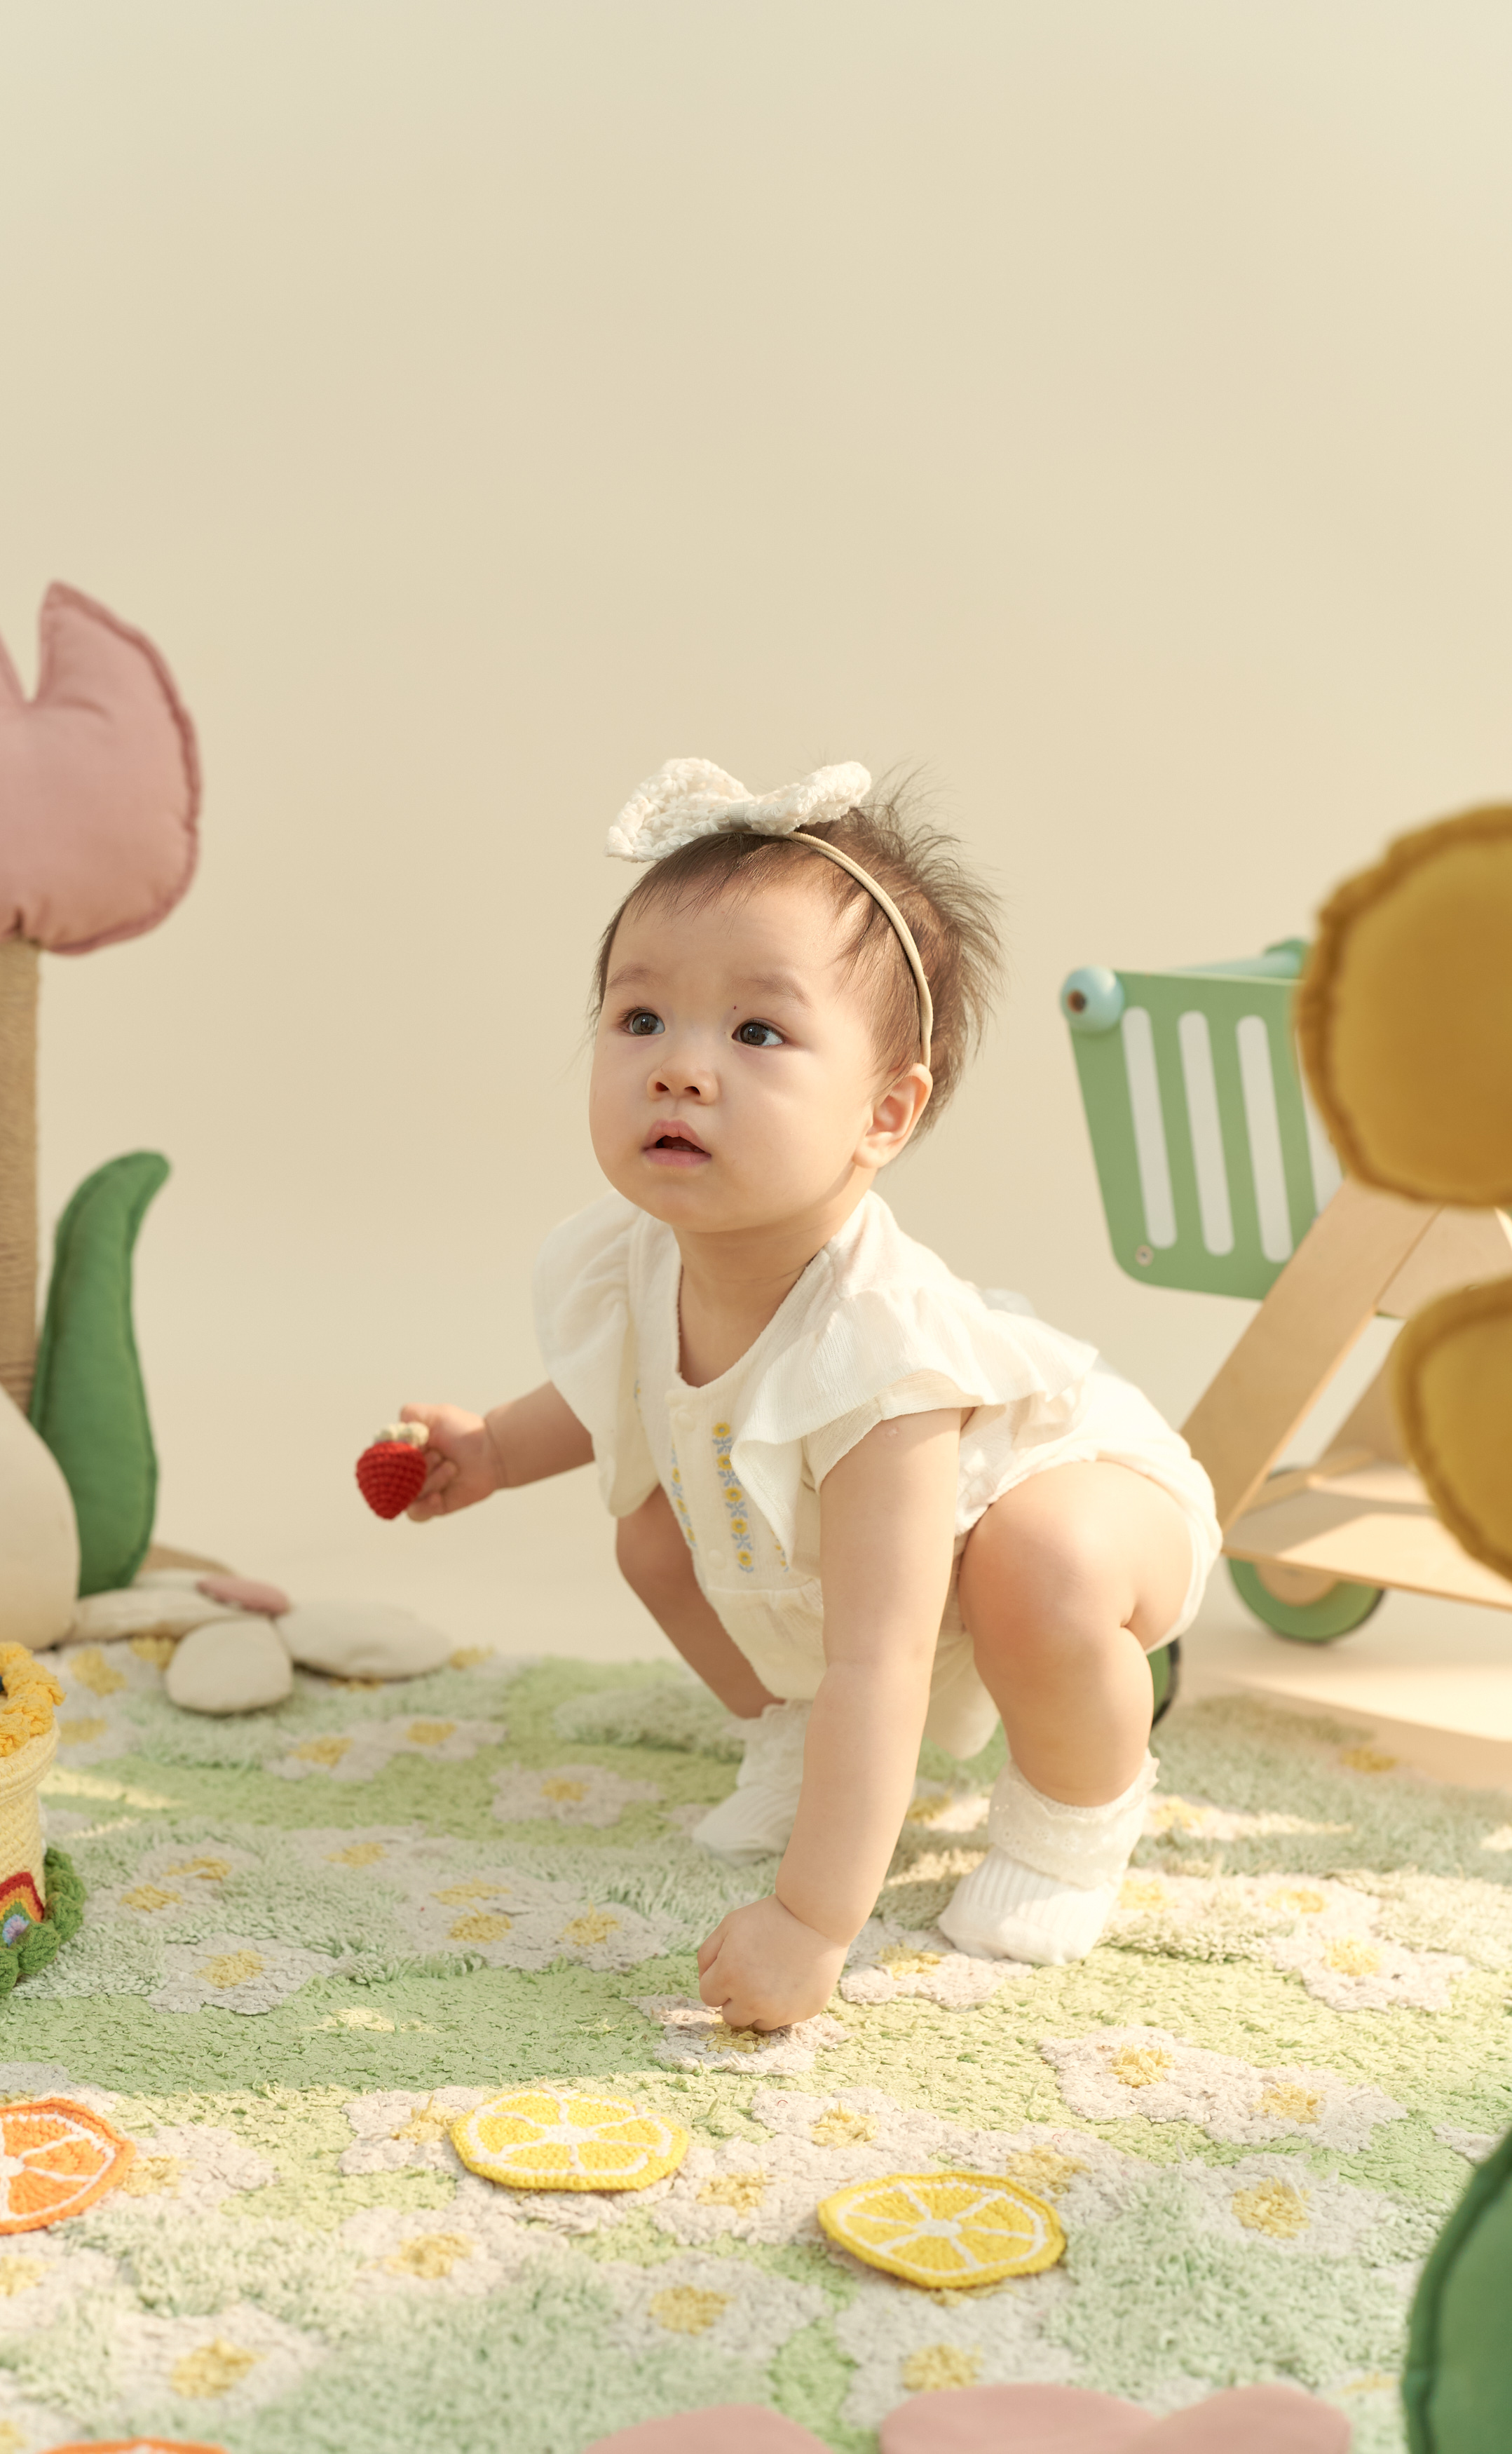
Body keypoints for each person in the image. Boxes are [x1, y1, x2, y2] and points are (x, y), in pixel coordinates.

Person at [396, 759, 1219, 2031]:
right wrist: (497, 1449)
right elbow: (629, 1388)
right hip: (873, 1557)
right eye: (639, 1019)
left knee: (1035, 1567)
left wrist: (810, 1919)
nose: (679, 1069)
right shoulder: (636, 1256)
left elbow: (881, 1662)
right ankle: (786, 1730)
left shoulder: (882, 1354)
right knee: (651, 1527)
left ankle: (1071, 1816)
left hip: (1077, 1492)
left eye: (756, 1033)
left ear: (882, 1114)